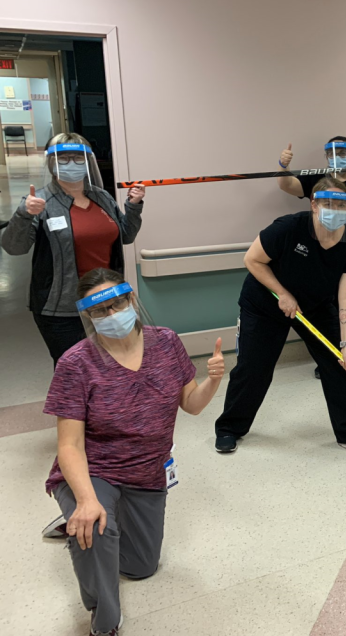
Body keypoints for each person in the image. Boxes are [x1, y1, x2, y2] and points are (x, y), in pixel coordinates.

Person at [43, 268, 224, 636]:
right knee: (94, 525)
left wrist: (213, 381)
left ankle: (79, 522)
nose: (112, 315)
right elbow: (69, 445)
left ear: (131, 300)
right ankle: (105, 620)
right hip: (95, 469)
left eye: (118, 303)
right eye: (100, 310)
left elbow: (191, 404)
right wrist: (86, 498)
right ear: (88, 316)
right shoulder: (76, 363)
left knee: (141, 567)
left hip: (146, 472)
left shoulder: (167, 342)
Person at [215, 176, 346, 458]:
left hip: (314, 306)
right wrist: (283, 293)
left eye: (341, 205)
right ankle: (229, 429)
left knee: (340, 364)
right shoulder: (288, 227)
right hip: (266, 302)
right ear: (314, 204)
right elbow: (252, 260)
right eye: (328, 204)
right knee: (254, 367)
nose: (335, 210)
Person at [1, 133, 145, 366]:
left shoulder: (102, 197)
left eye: (78, 158)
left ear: (88, 161)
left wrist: (134, 206)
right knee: (74, 372)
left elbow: (126, 236)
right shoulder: (39, 201)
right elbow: (14, 247)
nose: (71, 164)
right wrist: (24, 214)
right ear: (51, 163)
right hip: (61, 309)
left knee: (116, 366)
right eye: (64, 158)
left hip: (108, 300)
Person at [276, 137, 346, 376]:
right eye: (333, 152)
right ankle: (329, 355)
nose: (338, 156)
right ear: (327, 157)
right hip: (325, 256)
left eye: (344, 152)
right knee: (326, 309)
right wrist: (283, 166)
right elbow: (288, 186)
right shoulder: (319, 181)